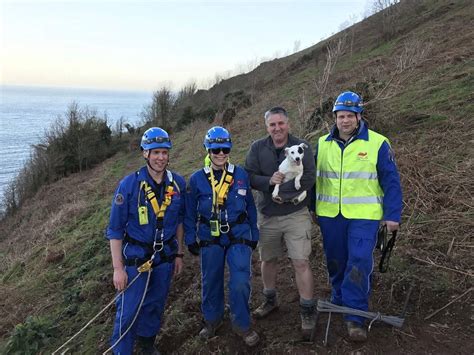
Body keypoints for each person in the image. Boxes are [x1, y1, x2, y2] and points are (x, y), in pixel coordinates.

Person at [313, 91, 402, 341]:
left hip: (364, 217)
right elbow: (313, 180)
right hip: (331, 216)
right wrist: (312, 207)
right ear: (335, 117)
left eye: (350, 116)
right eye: (341, 116)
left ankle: (355, 316)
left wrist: (392, 214)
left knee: (359, 261)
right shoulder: (321, 144)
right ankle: (338, 299)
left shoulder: (378, 143)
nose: (345, 121)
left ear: (359, 116)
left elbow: (391, 182)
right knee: (336, 260)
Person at [106, 127, 186, 354]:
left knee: (154, 305)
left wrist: (179, 254)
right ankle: (122, 351)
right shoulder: (129, 186)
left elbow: (179, 221)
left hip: (165, 258)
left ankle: (147, 345)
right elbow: (115, 230)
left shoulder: (177, 184)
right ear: (145, 153)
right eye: (155, 152)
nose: (161, 157)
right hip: (135, 261)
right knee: (129, 311)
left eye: (164, 152)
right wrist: (117, 269)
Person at [244, 107, 317, 339]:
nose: (277, 128)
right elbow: (249, 176)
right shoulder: (257, 148)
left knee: (301, 261)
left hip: (296, 213)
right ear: (267, 127)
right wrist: (269, 181)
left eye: (281, 123)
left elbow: (308, 178)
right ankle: (270, 299)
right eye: (272, 124)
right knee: (268, 260)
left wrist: (281, 193)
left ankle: (307, 309)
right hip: (267, 215)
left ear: (288, 124)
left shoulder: (302, 147)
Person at [184, 126, 260, 347]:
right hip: (210, 236)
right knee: (211, 281)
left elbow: (251, 206)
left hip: (239, 235)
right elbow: (189, 213)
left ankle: (242, 324)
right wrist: (191, 238)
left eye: (224, 149)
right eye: (215, 149)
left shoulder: (240, 175)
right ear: (207, 150)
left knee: (239, 281)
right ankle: (212, 319)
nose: (220, 154)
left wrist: (254, 233)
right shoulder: (197, 179)